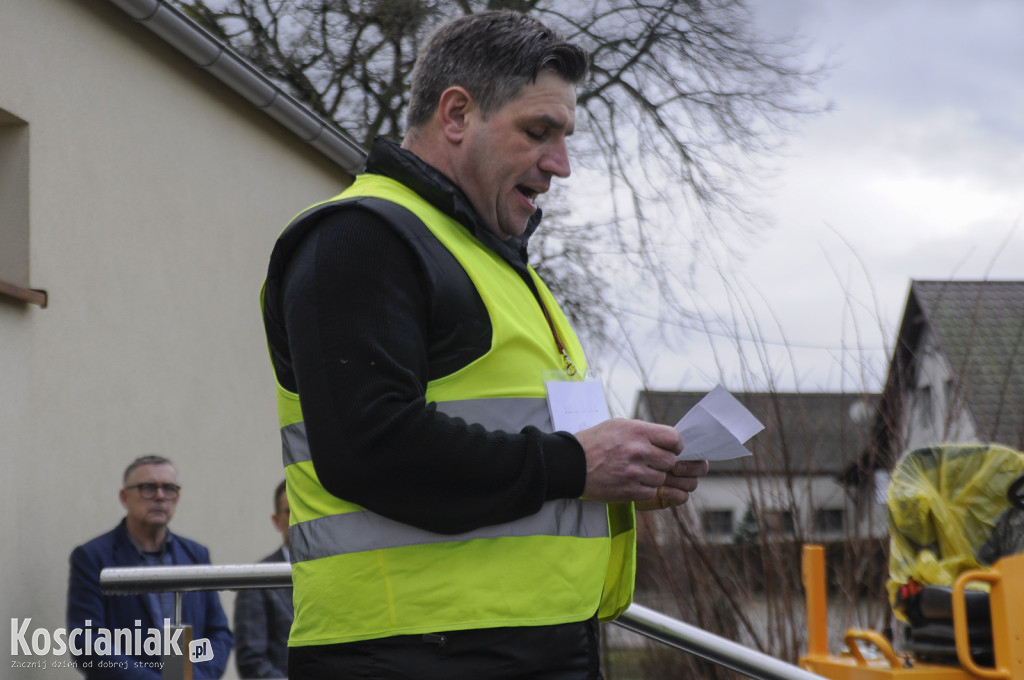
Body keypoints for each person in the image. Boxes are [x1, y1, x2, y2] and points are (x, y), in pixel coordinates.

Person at [260, 10, 709, 679]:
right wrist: (576, 467)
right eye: (538, 132)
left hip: (524, 646)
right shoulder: (357, 239)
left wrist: (623, 474)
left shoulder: (491, 261)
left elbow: (534, 456)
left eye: (564, 137)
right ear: (457, 114)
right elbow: (368, 449)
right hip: (411, 655)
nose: (560, 164)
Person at [66, 455, 233, 679]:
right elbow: (87, 641)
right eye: (147, 488)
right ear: (124, 497)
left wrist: (196, 677)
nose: (160, 496)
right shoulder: (93, 557)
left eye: (169, 488)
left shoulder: (195, 554)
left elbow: (218, 633)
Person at [233, 480, 293, 678]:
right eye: (292, 511)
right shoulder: (257, 580)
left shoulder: (329, 572)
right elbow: (251, 662)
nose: (301, 519)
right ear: (277, 521)